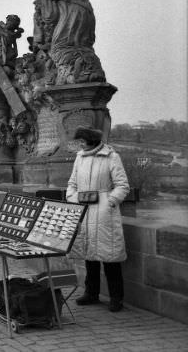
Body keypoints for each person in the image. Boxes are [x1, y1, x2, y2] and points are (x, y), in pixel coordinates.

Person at [66, 126, 130, 312]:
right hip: (84, 210)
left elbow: (122, 185)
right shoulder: (80, 157)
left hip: (104, 213)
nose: (79, 144)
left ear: (91, 141)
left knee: (110, 257)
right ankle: (91, 293)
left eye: (82, 141)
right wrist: (73, 198)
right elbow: (72, 184)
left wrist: (110, 202)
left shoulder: (112, 157)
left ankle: (116, 298)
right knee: (89, 255)